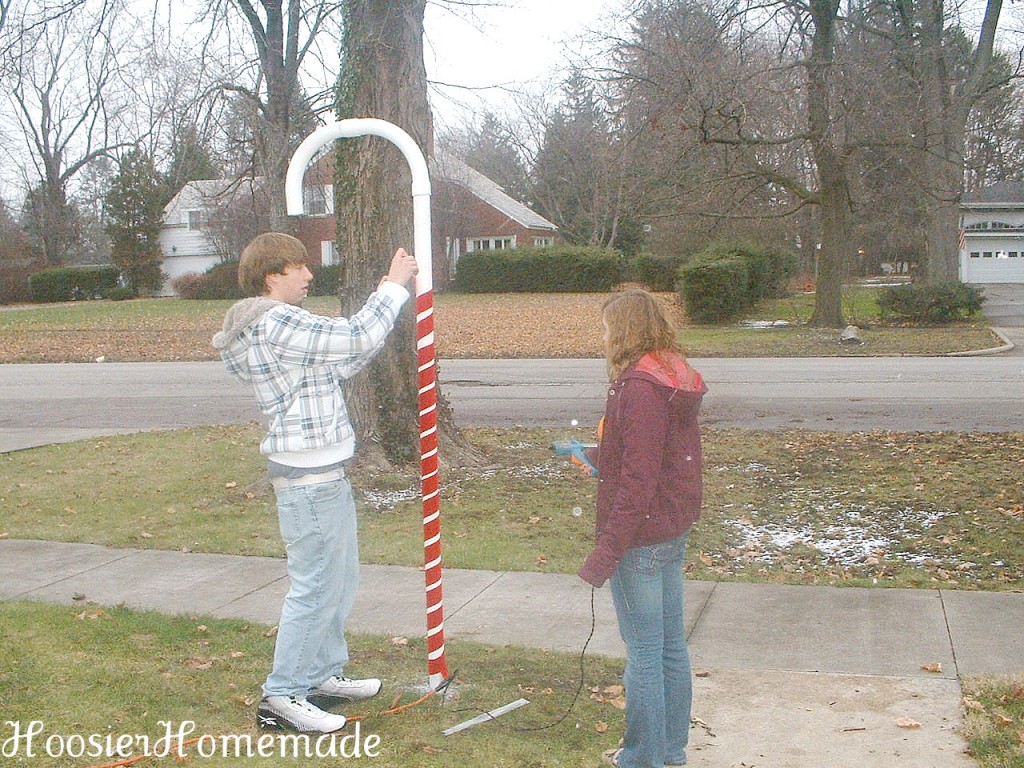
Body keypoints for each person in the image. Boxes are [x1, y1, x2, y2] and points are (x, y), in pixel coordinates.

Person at [212, 232, 418, 734]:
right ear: (270, 275)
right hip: (308, 479)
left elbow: (345, 357)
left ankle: (322, 674)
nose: (309, 275)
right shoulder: (275, 320)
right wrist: (391, 289)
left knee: (338, 581)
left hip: (320, 473)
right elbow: (352, 339)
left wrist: (377, 314)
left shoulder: (275, 325)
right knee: (316, 587)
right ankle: (281, 695)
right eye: (297, 267)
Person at [578, 289, 707, 768]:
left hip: (644, 540)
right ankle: (669, 752)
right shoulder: (671, 376)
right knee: (670, 645)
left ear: (626, 330)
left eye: (608, 327)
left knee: (648, 654)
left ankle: (643, 758)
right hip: (669, 529)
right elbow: (649, 456)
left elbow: (638, 479)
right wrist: (595, 457)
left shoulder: (638, 388)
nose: (604, 336)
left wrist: (607, 552)